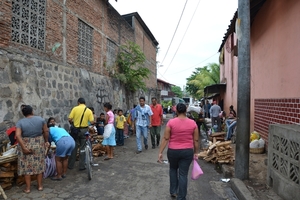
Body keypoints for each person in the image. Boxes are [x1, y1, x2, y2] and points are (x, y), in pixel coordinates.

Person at [158, 103, 199, 199]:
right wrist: (196, 152)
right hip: (187, 152)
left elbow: (165, 138)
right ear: (185, 111)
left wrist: (160, 152)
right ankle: (181, 197)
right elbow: (196, 140)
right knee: (183, 174)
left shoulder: (171, 123)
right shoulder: (193, 123)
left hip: (173, 151)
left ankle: (173, 191)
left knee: (173, 170)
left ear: (176, 111)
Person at [15, 105, 49, 193]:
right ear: (32, 111)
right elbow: (46, 131)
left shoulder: (20, 122)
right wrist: (46, 141)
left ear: (23, 114)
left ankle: (28, 188)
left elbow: (18, 135)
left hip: (26, 143)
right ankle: (40, 186)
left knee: (27, 167)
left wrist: (23, 147)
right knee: (39, 164)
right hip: (38, 143)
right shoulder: (41, 120)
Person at [68, 98, 94, 170]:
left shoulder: (75, 109)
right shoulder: (88, 110)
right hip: (84, 130)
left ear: (78, 102)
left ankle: (70, 165)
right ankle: (82, 166)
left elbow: (69, 119)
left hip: (75, 131)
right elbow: (92, 122)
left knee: (74, 147)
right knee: (83, 147)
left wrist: (73, 123)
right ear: (84, 103)